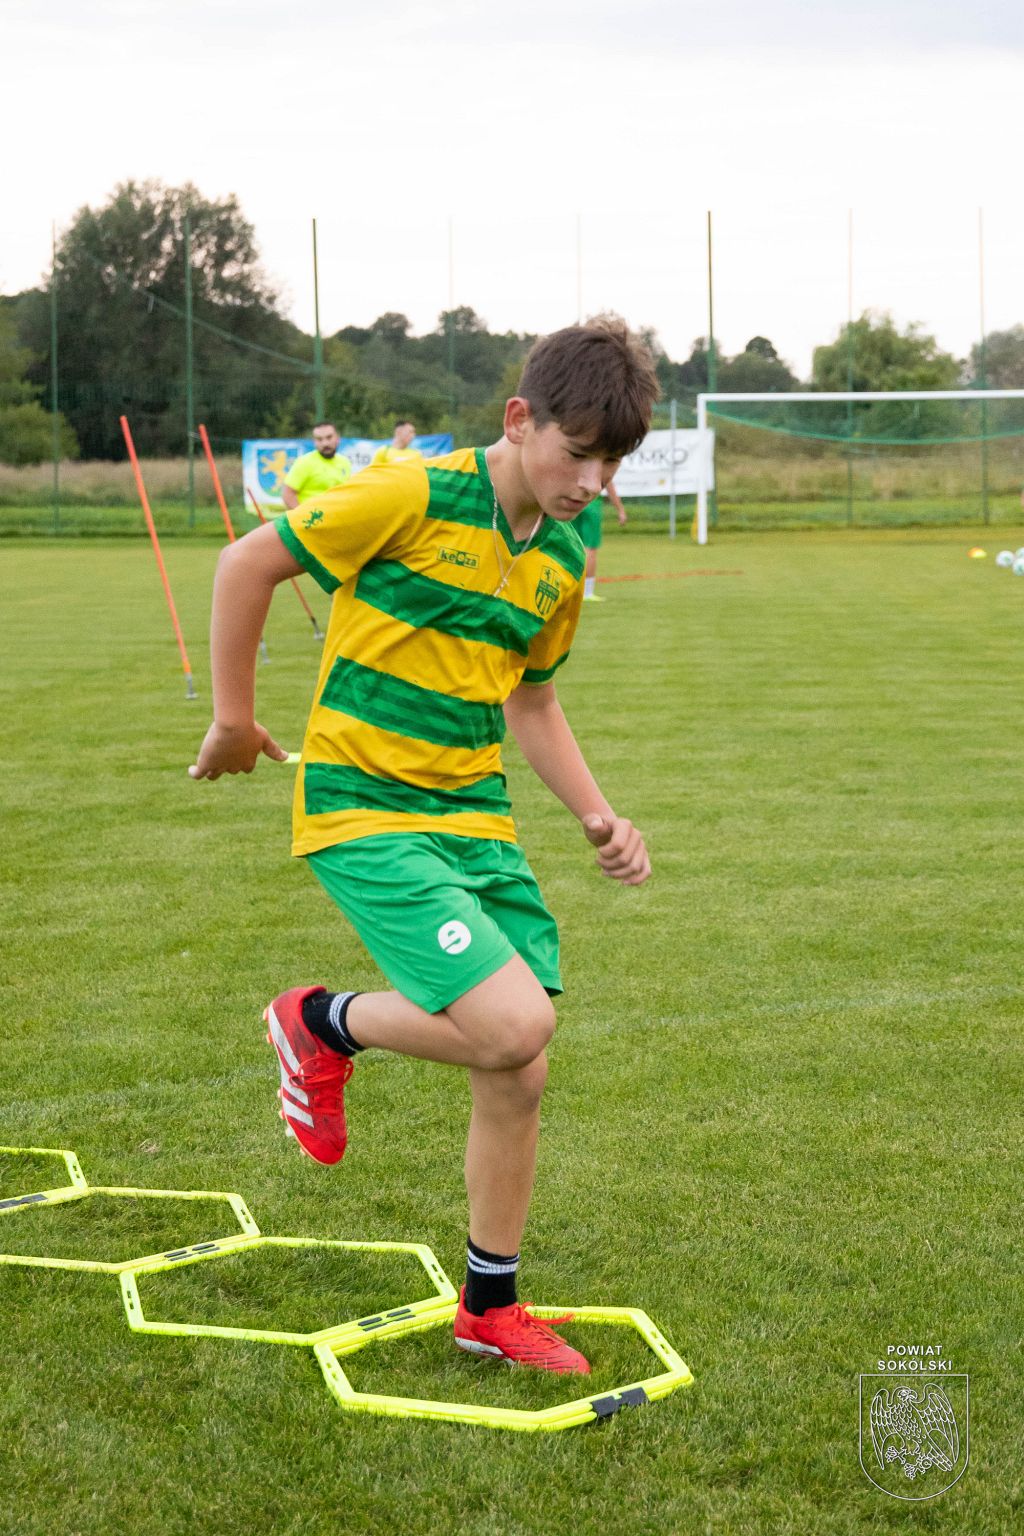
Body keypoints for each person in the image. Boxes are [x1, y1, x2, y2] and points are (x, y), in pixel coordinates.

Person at [189, 317, 659, 1375]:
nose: (592, 481)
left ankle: (488, 1305)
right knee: (514, 1023)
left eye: (612, 464)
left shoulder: (565, 552)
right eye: (578, 453)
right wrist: (232, 718)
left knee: (521, 1067)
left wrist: (598, 814)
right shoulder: (409, 492)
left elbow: (531, 701)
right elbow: (247, 562)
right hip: (364, 804)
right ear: (519, 419)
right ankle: (319, 1022)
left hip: (473, 819)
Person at [576, 478, 627, 601]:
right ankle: (587, 593)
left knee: (572, 546)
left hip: (573, 504)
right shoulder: (598, 467)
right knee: (590, 548)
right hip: (591, 505)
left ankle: (568, 588)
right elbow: (609, 485)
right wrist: (620, 509)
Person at [281, 422, 353, 509]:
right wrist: (303, 515)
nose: (325, 443)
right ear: (314, 442)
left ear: (337, 438)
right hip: (311, 516)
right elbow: (288, 494)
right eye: (319, 439)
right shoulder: (305, 462)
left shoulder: (345, 462)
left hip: (337, 515)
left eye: (329, 437)